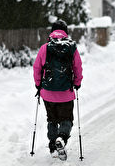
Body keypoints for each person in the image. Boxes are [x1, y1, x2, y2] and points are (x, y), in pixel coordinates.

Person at [33, 19, 83, 160]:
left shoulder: (45, 48)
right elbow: (77, 67)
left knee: (52, 119)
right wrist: (77, 83)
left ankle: (53, 146)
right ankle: (61, 138)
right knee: (67, 118)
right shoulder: (71, 47)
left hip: (47, 93)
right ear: (65, 32)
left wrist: (38, 85)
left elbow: (37, 68)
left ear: (52, 32)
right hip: (66, 92)